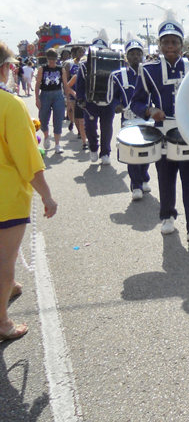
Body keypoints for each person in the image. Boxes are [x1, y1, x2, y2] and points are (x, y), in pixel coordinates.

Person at [0, 42, 57, 342]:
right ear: (7, 68)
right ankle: (2, 320)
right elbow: (28, 158)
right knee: (5, 262)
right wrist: (47, 195)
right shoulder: (10, 105)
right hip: (6, 198)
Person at [132, 10, 189, 240]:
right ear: (160, 45)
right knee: (165, 176)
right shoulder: (148, 69)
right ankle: (167, 216)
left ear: (181, 45)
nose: (170, 46)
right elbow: (137, 102)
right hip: (163, 132)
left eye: (174, 42)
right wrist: (150, 110)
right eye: (166, 42)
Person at [111, 35, 151, 201]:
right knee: (132, 152)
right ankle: (136, 184)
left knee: (147, 151)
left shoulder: (149, 72)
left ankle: (144, 177)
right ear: (126, 57)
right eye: (132, 54)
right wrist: (117, 106)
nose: (136, 57)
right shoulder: (118, 75)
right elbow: (113, 97)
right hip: (128, 119)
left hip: (147, 119)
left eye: (138, 53)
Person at [77, 32, 117, 165]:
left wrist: (117, 102)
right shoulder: (84, 66)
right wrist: (81, 99)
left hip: (107, 102)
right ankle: (93, 148)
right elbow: (80, 85)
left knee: (106, 128)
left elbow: (117, 86)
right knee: (89, 126)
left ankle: (105, 153)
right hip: (91, 101)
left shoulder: (114, 65)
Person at [35, 48, 66, 154]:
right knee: (43, 119)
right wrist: (36, 98)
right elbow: (38, 83)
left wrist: (67, 99)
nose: (51, 61)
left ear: (57, 59)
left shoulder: (60, 69)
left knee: (58, 119)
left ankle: (57, 144)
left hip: (58, 95)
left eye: (53, 59)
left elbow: (65, 84)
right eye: (49, 59)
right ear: (47, 59)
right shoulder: (42, 69)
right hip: (45, 95)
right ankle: (46, 136)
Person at [66, 47, 88, 150]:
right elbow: (68, 85)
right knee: (80, 121)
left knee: (87, 121)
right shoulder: (76, 75)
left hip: (89, 101)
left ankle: (87, 136)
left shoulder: (91, 76)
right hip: (79, 99)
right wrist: (74, 94)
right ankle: (84, 141)